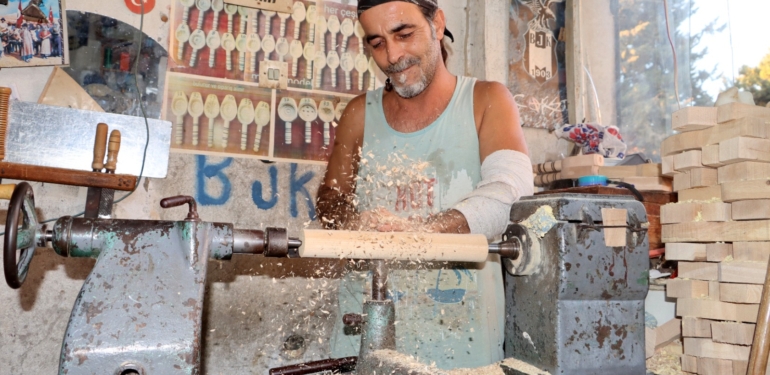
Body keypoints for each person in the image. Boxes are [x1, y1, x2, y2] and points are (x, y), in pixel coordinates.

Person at [315, 0, 534, 370]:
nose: (393, 55)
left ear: (437, 24)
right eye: (377, 43)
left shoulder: (486, 100)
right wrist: (355, 223)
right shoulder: (359, 114)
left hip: (460, 340)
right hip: (366, 332)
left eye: (404, 34)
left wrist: (421, 233)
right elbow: (330, 201)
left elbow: (509, 193)